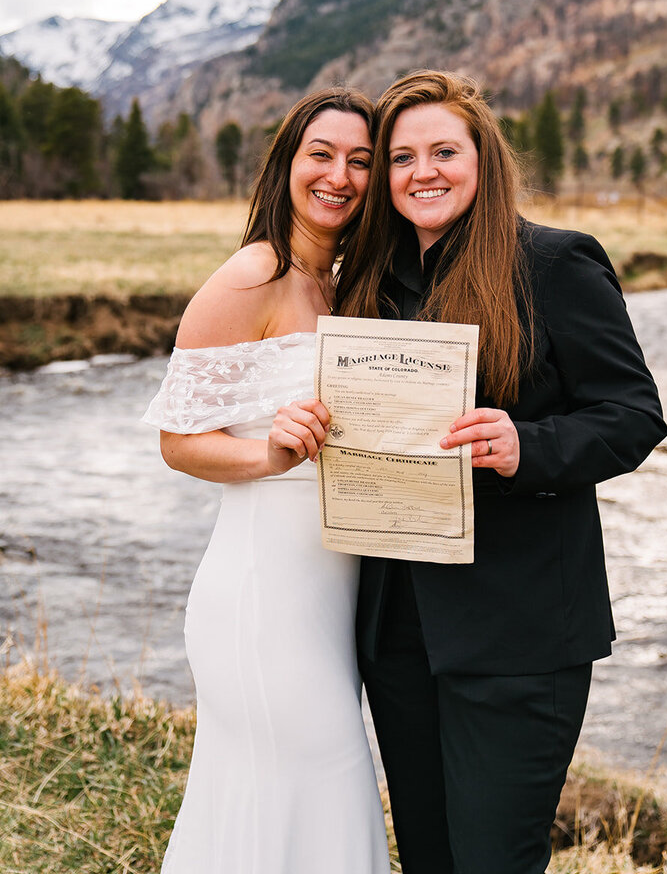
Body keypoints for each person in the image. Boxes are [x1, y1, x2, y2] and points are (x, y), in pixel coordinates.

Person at [336, 70, 667, 874]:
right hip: (398, 633)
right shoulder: (368, 281)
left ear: (483, 159)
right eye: (402, 156)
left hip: (520, 635)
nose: (425, 172)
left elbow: (633, 414)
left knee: (493, 861)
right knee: (428, 855)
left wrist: (531, 446)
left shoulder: (554, 264)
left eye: (444, 150)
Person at [142, 88, 390, 874]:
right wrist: (269, 458)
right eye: (322, 154)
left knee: (283, 810)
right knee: (325, 785)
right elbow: (179, 441)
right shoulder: (255, 274)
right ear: (287, 162)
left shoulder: (343, 285)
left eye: (361, 160)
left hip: (330, 600)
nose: (340, 176)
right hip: (262, 601)